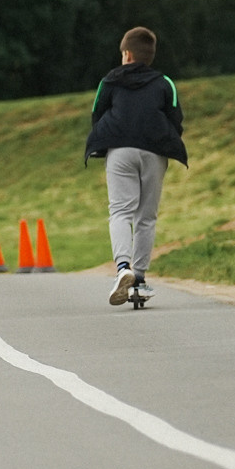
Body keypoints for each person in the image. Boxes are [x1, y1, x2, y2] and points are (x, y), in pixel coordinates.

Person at [88, 26, 188, 306]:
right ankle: (140, 278)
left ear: (127, 54)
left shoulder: (110, 81)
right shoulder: (164, 83)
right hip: (154, 152)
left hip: (119, 150)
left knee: (120, 211)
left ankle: (123, 269)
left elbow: (98, 114)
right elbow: (175, 119)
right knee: (147, 216)